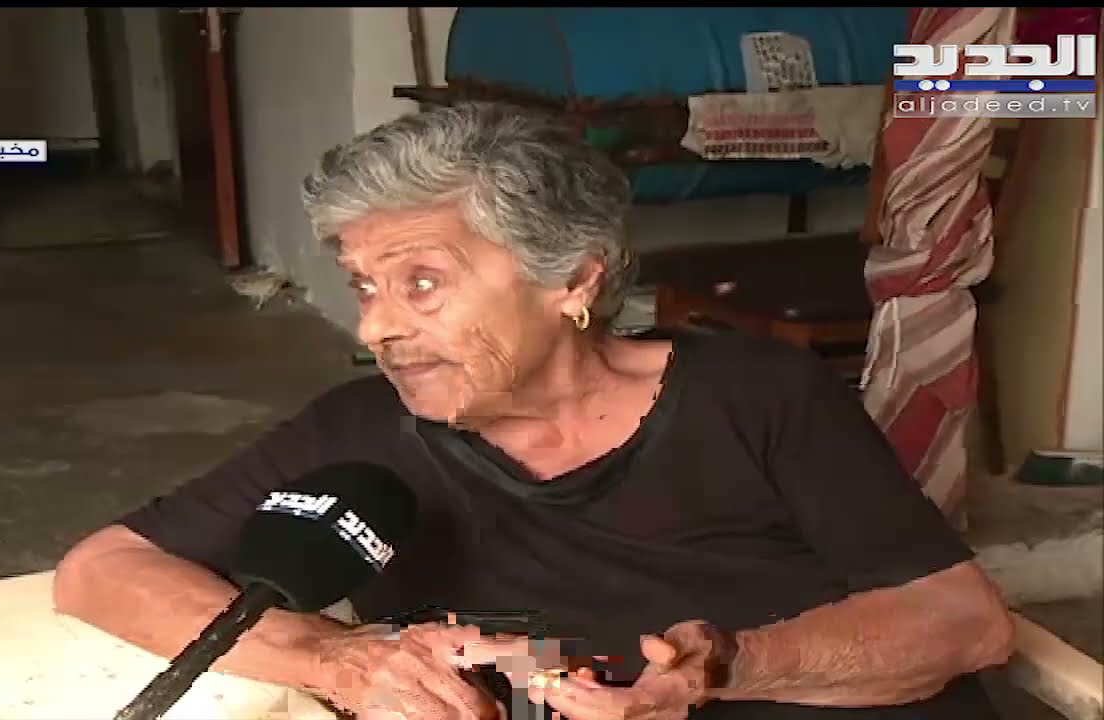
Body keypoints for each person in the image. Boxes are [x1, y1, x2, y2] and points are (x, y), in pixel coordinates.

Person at [52, 101, 1016, 720]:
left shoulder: (754, 396)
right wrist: (337, 661)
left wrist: (727, 667)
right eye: (364, 287)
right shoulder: (364, 432)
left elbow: (962, 623)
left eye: (422, 283)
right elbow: (103, 570)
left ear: (573, 280)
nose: (378, 325)